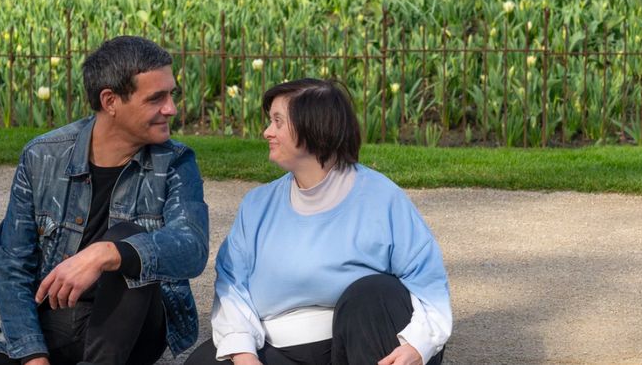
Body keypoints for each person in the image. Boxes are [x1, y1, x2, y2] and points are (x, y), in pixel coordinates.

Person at [0, 36, 209, 365]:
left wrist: (108, 253)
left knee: (126, 236)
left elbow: (191, 247)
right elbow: (10, 265)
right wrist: (32, 355)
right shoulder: (42, 157)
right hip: (55, 325)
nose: (171, 108)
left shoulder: (175, 162)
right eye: (156, 98)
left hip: (134, 330)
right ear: (110, 100)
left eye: (171, 95)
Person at [185, 78, 451, 365]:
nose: (266, 132)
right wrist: (245, 355)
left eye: (278, 122)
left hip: (367, 343)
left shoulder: (381, 197)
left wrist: (418, 345)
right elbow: (232, 288)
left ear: (314, 126)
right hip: (280, 349)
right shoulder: (256, 205)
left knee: (374, 292)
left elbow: (429, 283)